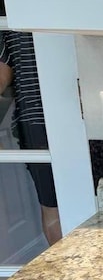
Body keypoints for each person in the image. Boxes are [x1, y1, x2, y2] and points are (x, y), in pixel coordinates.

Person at [0, 31, 61, 245]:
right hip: (38, 120)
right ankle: (68, 269)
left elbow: (3, 73)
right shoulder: (9, 15)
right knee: (52, 204)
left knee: (54, 205)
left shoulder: (12, 9)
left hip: (41, 118)